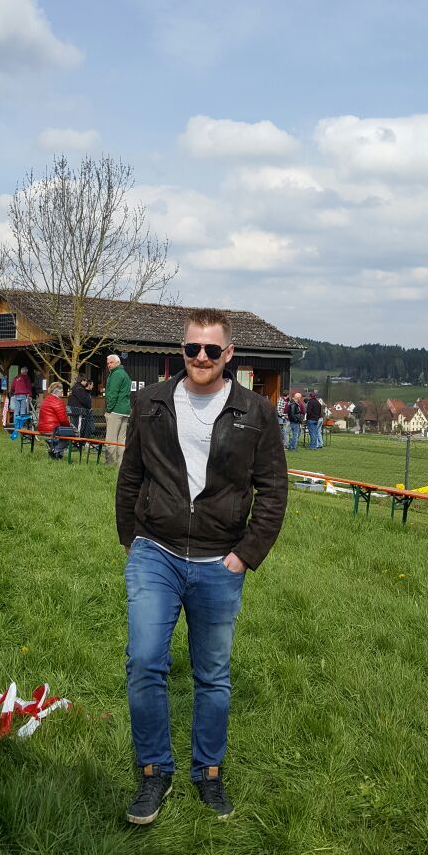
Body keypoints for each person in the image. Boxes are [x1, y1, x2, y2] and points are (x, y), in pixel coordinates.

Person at [116, 308, 288, 826]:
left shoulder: (256, 412)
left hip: (220, 561)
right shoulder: (150, 403)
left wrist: (245, 555)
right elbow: (130, 477)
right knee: (145, 661)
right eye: (193, 348)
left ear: (229, 353)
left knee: (212, 675)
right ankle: (154, 772)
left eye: (213, 350)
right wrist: (132, 541)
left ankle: (208, 773)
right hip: (156, 552)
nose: (202, 357)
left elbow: (273, 491)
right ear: (182, 350)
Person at [104, 353, 131, 466]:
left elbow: (112, 394)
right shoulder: (125, 374)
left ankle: (110, 464)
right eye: (108, 363)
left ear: (118, 362)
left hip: (115, 410)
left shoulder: (116, 374)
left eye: (111, 362)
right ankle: (121, 464)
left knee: (111, 439)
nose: (109, 365)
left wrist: (108, 409)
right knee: (122, 441)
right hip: (125, 411)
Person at [37, 381, 69, 459]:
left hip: (42, 428)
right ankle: (55, 450)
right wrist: (69, 427)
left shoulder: (46, 399)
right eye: (62, 391)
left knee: (65, 433)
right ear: (58, 391)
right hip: (53, 429)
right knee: (71, 435)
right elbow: (63, 420)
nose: (62, 393)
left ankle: (57, 453)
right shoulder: (58, 401)